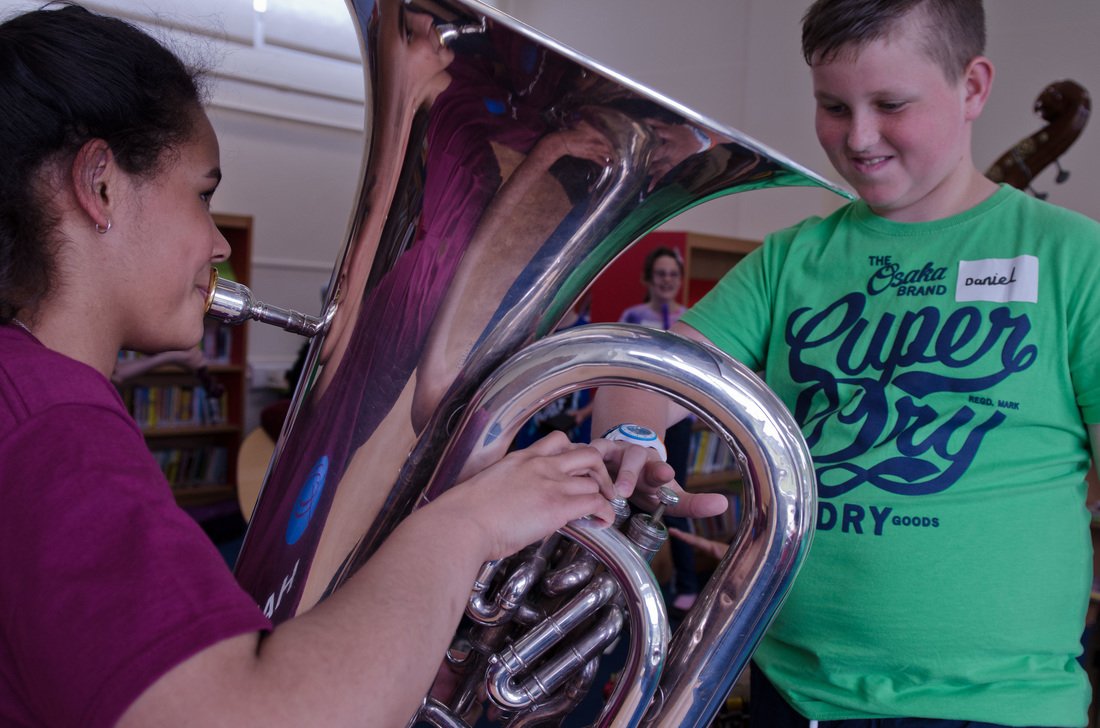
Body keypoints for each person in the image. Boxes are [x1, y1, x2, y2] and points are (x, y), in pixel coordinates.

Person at [0, 5, 720, 726]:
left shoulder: (32, 399)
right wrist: (469, 525)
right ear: (99, 186)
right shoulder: (55, 433)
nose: (218, 243)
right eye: (203, 193)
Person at [594, 1, 1100, 726]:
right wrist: (636, 437)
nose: (858, 137)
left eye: (891, 104)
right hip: (791, 692)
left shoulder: (1075, 259)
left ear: (974, 87)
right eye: (833, 106)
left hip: (1000, 706)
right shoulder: (792, 258)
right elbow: (643, 373)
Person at [618, 246, 701, 614]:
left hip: (677, 422)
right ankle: (627, 580)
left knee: (673, 496)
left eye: (673, 274)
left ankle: (686, 581)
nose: (668, 280)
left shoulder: (692, 319)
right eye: (661, 273)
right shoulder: (633, 316)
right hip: (637, 421)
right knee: (635, 495)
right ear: (649, 279)